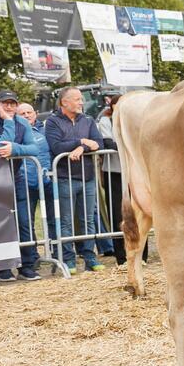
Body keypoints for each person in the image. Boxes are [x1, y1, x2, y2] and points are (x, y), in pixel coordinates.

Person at [0, 90, 41, 281]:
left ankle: (27, 266)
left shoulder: (23, 122)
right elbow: (0, 147)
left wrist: (15, 148)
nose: (9, 107)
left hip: (17, 177)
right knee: (2, 223)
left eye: (13, 103)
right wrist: (8, 121)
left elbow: (34, 148)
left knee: (24, 222)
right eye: (5, 103)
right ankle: (4, 267)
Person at [46, 86, 106, 272]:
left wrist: (82, 148)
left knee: (88, 220)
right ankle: (68, 260)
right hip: (65, 178)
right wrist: (81, 141)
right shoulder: (53, 122)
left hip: (88, 177)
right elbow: (57, 147)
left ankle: (90, 258)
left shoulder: (87, 120)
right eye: (77, 99)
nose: (82, 102)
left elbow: (98, 143)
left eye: (81, 99)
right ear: (64, 102)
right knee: (66, 221)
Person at [17, 102, 55, 271]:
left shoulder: (45, 129)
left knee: (54, 219)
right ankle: (32, 257)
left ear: (35, 113)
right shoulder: (17, 131)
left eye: (29, 112)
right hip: (26, 182)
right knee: (27, 221)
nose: (27, 115)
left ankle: (56, 252)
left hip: (47, 180)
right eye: (22, 113)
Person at [97, 94, 128, 265]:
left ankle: (142, 253)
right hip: (114, 172)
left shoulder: (131, 120)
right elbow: (108, 143)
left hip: (131, 172)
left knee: (137, 212)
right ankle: (121, 256)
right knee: (117, 214)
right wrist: (129, 146)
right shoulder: (105, 121)